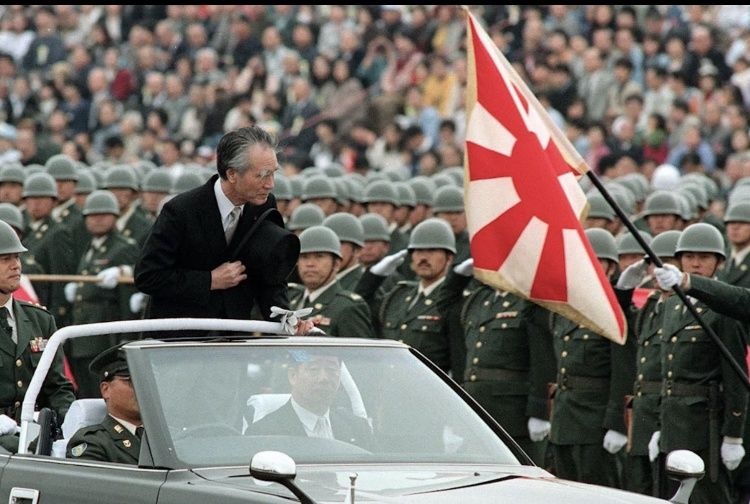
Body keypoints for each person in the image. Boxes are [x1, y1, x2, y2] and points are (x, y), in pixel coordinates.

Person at [134, 126, 311, 333]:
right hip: (179, 337)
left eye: (273, 173)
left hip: (233, 337)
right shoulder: (181, 211)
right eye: (262, 175)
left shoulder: (264, 205)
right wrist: (209, 280)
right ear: (232, 173)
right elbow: (148, 275)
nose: (270, 184)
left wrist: (287, 318)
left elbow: (269, 274)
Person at [648, 223, 748, 503]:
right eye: (689, 257)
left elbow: (735, 375)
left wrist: (733, 436)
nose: (695, 263)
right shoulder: (672, 306)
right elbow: (668, 372)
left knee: (707, 497)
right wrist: (660, 424)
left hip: (706, 426)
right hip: (673, 423)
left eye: (704, 257)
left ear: (719, 262)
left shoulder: (723, 307)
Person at [0, 220, 75, 453]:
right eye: (5, 259)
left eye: (17, 258)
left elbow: (58, 387)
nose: (16, 266)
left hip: (35, 435)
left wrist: (69, 425)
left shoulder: (39, 320)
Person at [248, 350, 373, 448]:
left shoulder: (358, 427)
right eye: (314, 369)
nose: (324, 378)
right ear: (293, 376)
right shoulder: (263, 434)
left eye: (331, 369)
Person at [66, 343, 143, 464]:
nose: (143, 389)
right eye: (132, 382)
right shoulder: (93, 442)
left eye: (148, 382)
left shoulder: (168, 435)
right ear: (106, 390)